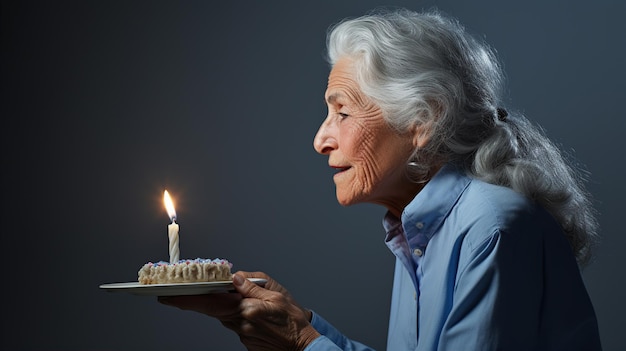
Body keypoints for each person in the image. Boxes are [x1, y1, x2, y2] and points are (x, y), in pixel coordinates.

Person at [158, 8, 602, 351]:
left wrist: (301, 340)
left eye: (343, 112)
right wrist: (298, 324)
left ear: (422, 120)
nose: (320, 140)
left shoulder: (491, 227)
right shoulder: (422, 228)